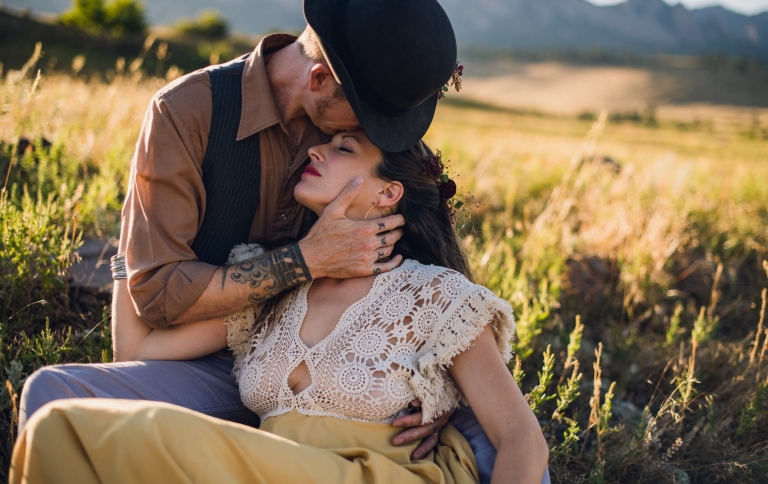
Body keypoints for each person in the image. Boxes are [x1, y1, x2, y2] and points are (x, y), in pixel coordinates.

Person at [17, 0, 502, 476]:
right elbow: (156, 302)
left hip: (361, 377)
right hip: (223, 365)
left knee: (493, 439)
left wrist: (439, 390)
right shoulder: (188, 113)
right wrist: (305, 260)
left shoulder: (357, 127)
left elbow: (421, 241)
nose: (376, 132)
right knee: (52, 397)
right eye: (368, 122)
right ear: (318, 81)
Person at [11, 130, 550, 483]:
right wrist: (141, 229)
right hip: (268, 466)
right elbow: (138, 349)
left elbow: (520, 436)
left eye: (343, 149)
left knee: (124, 431)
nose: (316, 151)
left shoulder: (435, 295)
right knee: (56, 427)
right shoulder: (273, 286)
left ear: (388, 194)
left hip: (373, 473)